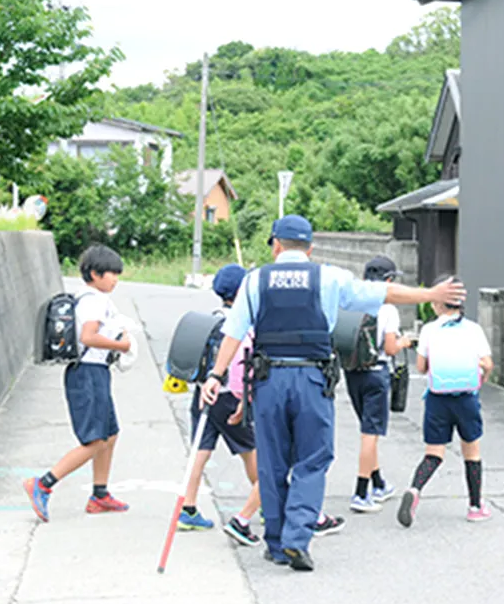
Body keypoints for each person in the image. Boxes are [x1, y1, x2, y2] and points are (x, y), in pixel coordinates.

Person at [199, 215, 465, 572]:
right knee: (313, 458)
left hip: (268, 381)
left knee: (272, 461)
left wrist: (216, 375)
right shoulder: (329, 277)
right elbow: (382, 293)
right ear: (310, 248)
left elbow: (234, 333)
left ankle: (276, 544)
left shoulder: (254, 281)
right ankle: (297, 539)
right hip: (311, 379)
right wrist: (430, 295)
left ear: (275, 245)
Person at [24, 245, 133, 522]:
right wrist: (121, 345)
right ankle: (44, 483)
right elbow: (88, 337)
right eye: (111, 274)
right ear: (95, 274)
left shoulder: (94, 299)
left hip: (96, 372)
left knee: (110, 434)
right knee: (95, 441)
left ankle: (99, 495)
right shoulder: (93, 300)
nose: (116, 279)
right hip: (86, 374)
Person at [397, 274, 494, 529]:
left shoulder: (429, 330)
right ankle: (475, 506)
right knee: (471, 452)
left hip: (437, 400)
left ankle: (415, 490)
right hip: (466, 399)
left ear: (438, 303)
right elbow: (488, 364)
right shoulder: (473, 329)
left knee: (434, 453)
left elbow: (420, 367)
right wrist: (481, 377)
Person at [178, 264, 263, 547]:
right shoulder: (242, 326)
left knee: (200, 451)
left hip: (203, 394)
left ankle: (187, 507)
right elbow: (240, 368)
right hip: (230, 396)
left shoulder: (211, 320)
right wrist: (245, 399)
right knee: (251, 452)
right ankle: (263, 500)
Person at [345, 256, 413, 513]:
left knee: (366, 430)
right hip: (376, 374)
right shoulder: (387, 309)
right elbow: (390, 347)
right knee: (370, 434)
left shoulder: (350, 304)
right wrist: (405, 342)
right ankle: (361, 493)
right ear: (387, 281)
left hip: (352, 373)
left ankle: (378, 483)